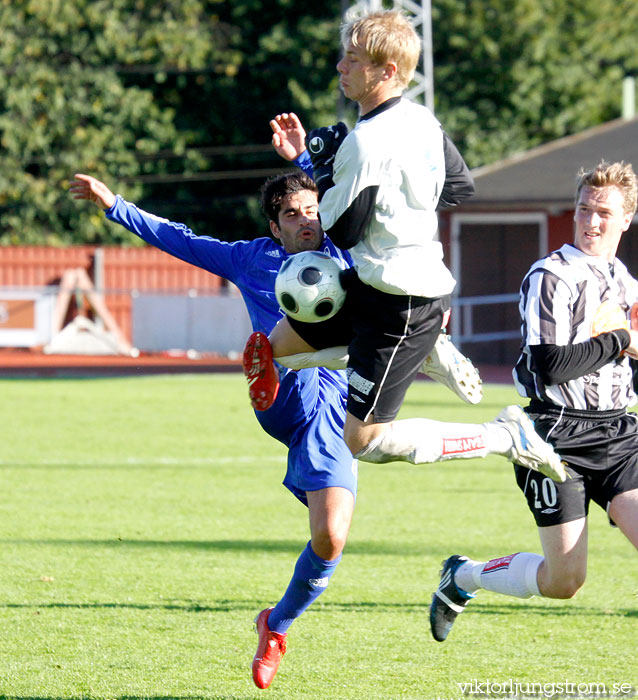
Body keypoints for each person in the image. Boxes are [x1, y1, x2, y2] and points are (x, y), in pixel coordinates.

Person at [68, 169, 480, 690]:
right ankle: (270, 364)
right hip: (283, 393)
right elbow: (179, 238)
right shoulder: (249, 258)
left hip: (338, 406)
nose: (306, 221)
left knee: (330, 538)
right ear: (275, 226)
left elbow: (387, 242)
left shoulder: (351, 255)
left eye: (312, 211)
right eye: (292, 214)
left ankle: (275, 625)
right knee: (288, 359)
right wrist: (113, 204)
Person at [243, 9, 565, 483]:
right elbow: (459, 187)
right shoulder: (422, 121)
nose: (341, 67)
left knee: (364, 442)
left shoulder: (366, 142)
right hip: (378, 282)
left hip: (402, 304)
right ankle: (429, 349)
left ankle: (503, 436)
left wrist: (329, 166)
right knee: (277, 351)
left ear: (387, 71)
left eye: (352, 59)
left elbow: (344, 233)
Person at [429, 160, 638, 643]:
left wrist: (627, 347)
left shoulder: (623, 280)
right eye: (585, 209)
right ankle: (463, 575)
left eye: (604, 213)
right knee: (564, 582)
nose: (592, 222)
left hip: (619, 433)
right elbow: (551, 366)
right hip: (554, 437)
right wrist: (622, 339)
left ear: (626, 219)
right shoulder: (551, 276)